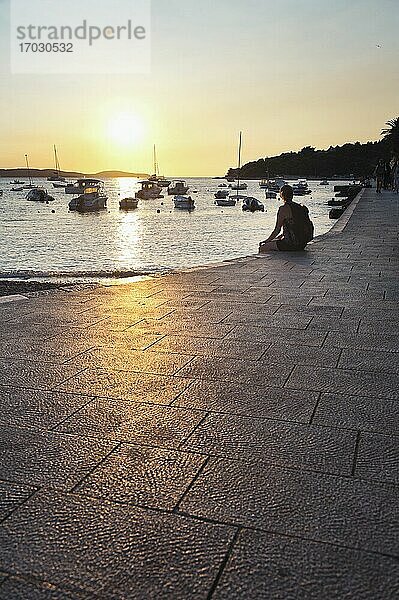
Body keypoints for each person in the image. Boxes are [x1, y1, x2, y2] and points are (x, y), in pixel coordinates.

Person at [259, 184, 313, 252]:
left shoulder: (283, 209)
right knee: (276, 240)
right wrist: (280, 236)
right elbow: (295, 227)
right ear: (292, 195)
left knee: (263, 247)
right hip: (302, 244)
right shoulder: (300, 207)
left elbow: (277, 230)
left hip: (291, 244)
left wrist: (266, 241)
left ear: (281, 195)